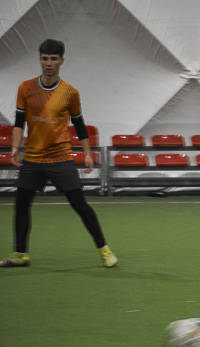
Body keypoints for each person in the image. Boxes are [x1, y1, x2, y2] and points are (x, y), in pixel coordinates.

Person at [0, 39, 117, 268]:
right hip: (33, 158)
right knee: (21, 206)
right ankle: (20, 254)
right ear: (40, 59)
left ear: (61, 61)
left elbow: (79, 124)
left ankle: (104, 250)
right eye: (45, 58)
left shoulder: (70, 92)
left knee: (80, 205)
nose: (48, 63)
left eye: (53, 59)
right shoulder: (25, 88)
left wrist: (87, 153)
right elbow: (19, 122)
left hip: (61, 158)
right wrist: (15, 148)